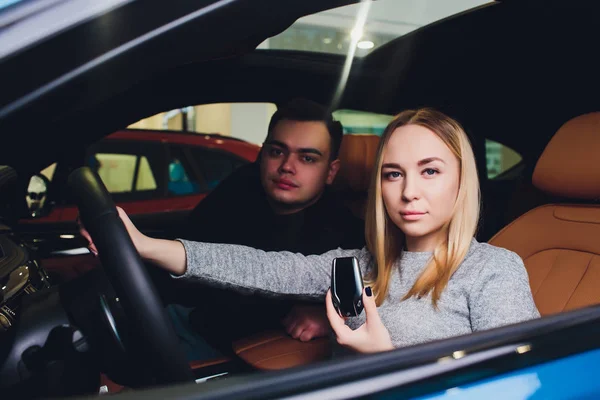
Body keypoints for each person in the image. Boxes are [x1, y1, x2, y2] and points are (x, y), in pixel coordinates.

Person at [82, 108, 540, 354]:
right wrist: (145, 246)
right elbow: (264, 268)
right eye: (394, 174)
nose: (408, 193)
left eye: (431, 171)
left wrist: (383, 360)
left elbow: (521, 386)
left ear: (463, 182)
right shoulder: (359, 265)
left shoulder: (493, 271)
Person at [167, 98, 365, 355]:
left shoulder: (345, 231)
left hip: (235, 355)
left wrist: (331, 318)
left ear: (330, 171)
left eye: (307, 158)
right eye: (276, 152)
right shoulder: (239, 188)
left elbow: (375, 301)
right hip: (187, 319)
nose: (286, 167)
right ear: (263, 154)